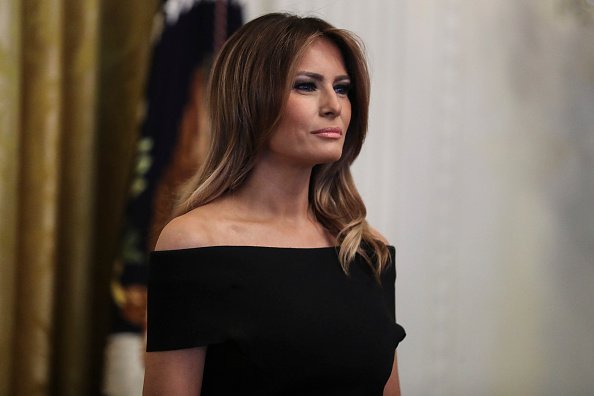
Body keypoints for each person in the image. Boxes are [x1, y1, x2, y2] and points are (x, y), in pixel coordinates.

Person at [142, 12, 406, 396]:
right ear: (252, 101)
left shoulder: (367, 251)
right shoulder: (195, 244)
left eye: (343, 88)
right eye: (306, 86)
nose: (334, 105)